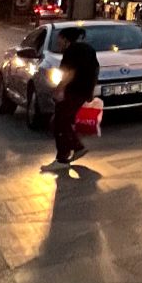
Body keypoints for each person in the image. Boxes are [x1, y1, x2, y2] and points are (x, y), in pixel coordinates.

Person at [42, 26, 100, 173]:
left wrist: (59, 89)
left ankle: (63, 158)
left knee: (59, 122)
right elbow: (96, 70)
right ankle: (75, 148)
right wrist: (90, 91)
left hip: (72, 91)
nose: (58, 43)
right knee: (62, 121)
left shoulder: (71, 51)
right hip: (83, 91)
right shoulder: (89, 49)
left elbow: (68, 73)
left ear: (65, 39)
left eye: (59, 39)